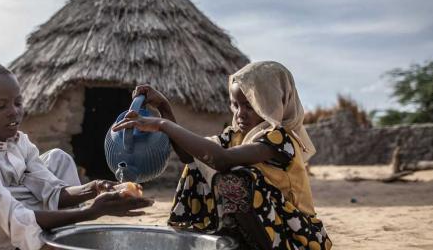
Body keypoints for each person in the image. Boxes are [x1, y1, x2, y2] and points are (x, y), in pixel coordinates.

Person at [0, 62, 152, 250]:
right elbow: (16, 216)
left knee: (58, 158)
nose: (13, 111)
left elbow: (54, 191)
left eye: (18, 103)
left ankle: (56, 237)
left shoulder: (19, 143)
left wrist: (95, 187)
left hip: (13, 223)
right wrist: (92, 212)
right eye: (1, 106)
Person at [112, 61, 332, 249]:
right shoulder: (235, 135)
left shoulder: (280, 138)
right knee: (198, 168)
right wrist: (165, 109)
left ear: (273, 103)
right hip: (266, 227)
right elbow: (192, 158)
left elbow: (221, 159)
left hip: (295, 235)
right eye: (235, 105)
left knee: (233, 179)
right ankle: (230, 241)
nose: (239, 113)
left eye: (250, 106)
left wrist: (162, 125)